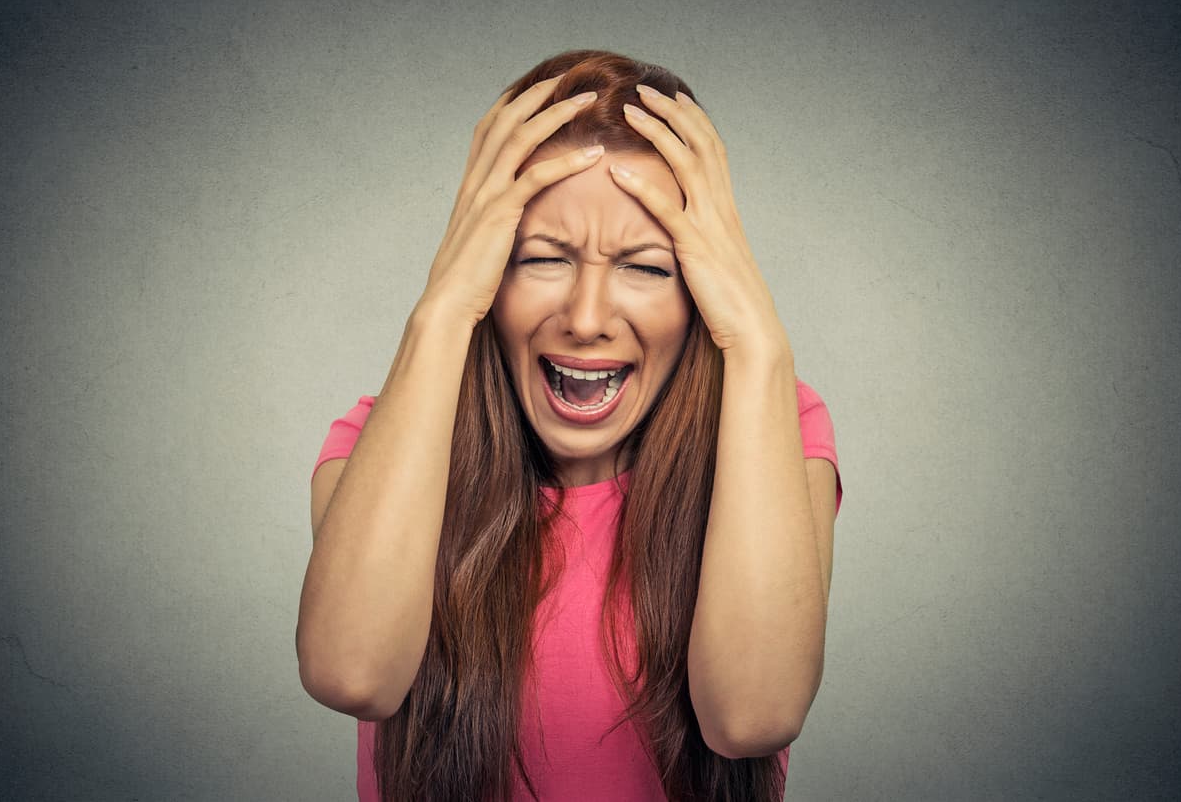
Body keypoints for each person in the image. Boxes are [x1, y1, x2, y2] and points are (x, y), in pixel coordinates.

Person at [297, 49, 843, 802]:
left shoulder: (779, 428)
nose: (586, 320)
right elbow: (350, 671)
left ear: (702, 286)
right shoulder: (375, 441)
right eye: (541, 257)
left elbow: (751, 716)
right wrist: (442, 308)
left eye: (647, 267)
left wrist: (756, 343)